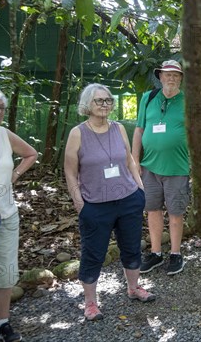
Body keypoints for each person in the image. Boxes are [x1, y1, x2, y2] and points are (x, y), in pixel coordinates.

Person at [64, 84, 155, 322]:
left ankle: (134, 288)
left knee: (132, 246)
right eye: (99, 101)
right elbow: (70, 171)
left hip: (128, 200)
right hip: (95, 204)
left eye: (108, 101)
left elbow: (128, 160)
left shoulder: (119, 128)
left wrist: (140, 188)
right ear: (87, 105)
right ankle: (91, 303)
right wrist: (79, 203)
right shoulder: (78, 133)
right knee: (93, 253)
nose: (105, 105)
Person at [132, 59, 190, 275]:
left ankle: (175, 254)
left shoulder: (188, 101)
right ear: (160, 77)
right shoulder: (148, 98)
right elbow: (139, 130)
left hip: (177, 167)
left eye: (176, 75)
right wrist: (134, 161)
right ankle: (156, 253)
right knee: (152, 210)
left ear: (181, 79)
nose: (171, 78)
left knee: (175, 212)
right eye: (167, 74)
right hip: (149, 167)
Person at [0, 89, 37, 342]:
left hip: (4, 214)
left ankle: (2, 323)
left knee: (5, 269)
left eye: (1, 108)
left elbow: (31, 154)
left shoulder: (4, 135)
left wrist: (14, 176)